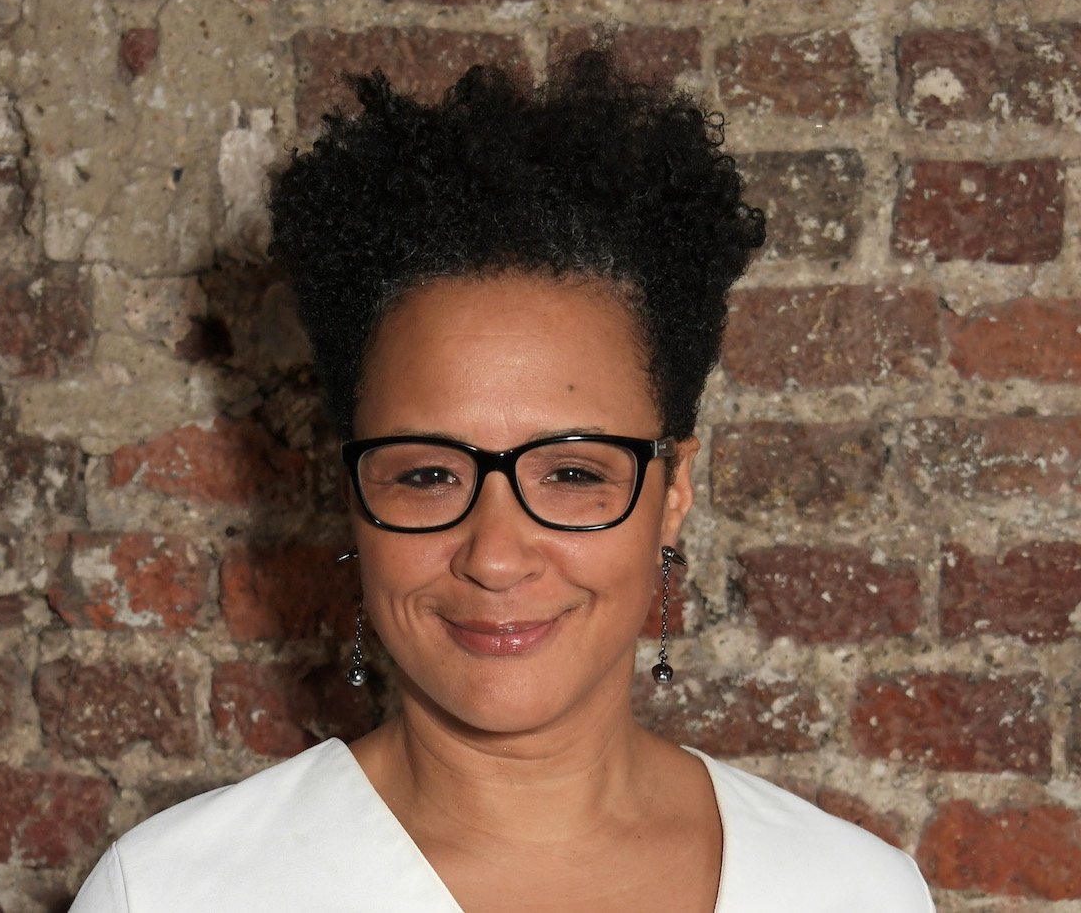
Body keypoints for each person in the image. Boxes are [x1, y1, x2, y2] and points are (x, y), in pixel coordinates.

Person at [71, 48, 935, 911]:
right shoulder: (172, 893)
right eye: (427, 475)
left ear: (673, 490)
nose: (494, 556)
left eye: (571, 472)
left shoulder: (856, 893)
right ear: (353, 496)